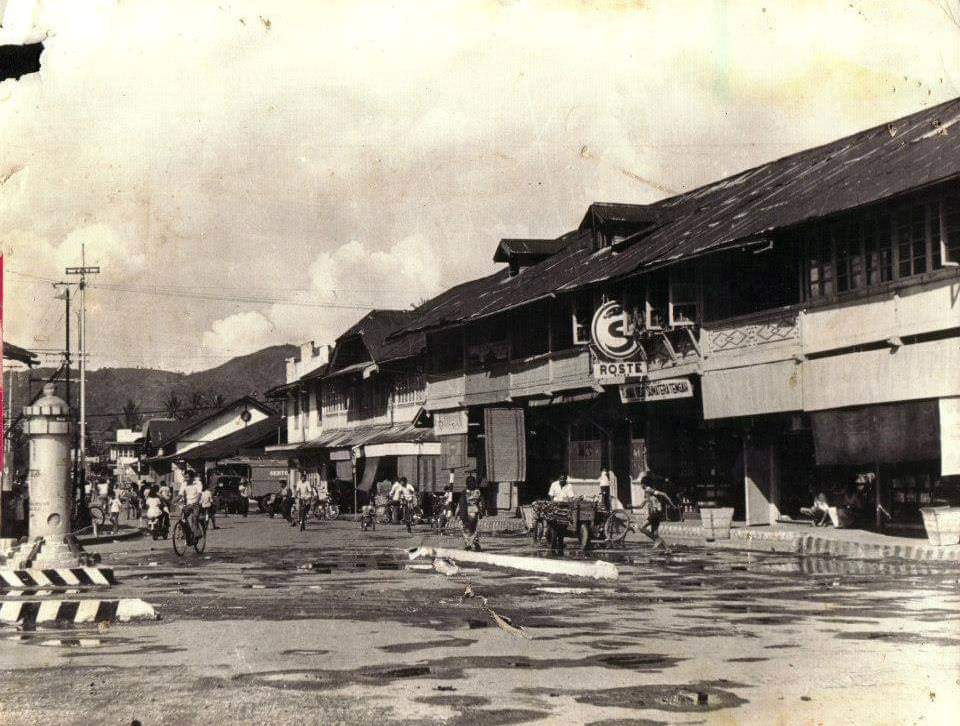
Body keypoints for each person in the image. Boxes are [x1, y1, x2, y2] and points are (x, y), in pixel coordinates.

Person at [636, 477, 676, 548]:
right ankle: (667, 549)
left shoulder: (648, 490)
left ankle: (657, 541)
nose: (641, 486)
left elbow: (663, 495)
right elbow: (642, 505)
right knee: (655, 534)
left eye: (641, 484)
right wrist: (672, 504)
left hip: (655, 513)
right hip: (657, 513)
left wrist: (672, 504)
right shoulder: (650, 491)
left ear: (643, 484)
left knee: (642, 528)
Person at [458, 475, 485, 551]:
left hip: (467, 511)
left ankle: (468, 543)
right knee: (474, 528)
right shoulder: (478, 491)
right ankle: (475, 542)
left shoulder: (465, 492)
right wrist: (481, 511)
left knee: (464, 527)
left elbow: (461, 503)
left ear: (467, 483)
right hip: (475, 511)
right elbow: (482, 502)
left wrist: (457, 513)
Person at [178, 471, 204, 542]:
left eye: (187, 477)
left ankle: (197, 533)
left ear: (192, 477)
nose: (185, 478)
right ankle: (187, 534)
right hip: (188, 504)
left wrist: (196, 502)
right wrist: (173, 501)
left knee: (194, 518)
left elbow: (199, 494)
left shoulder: (197, 483)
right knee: (182, 518)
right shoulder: (184, 484)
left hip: (196, 504)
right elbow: (180, 494)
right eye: (185, 477)